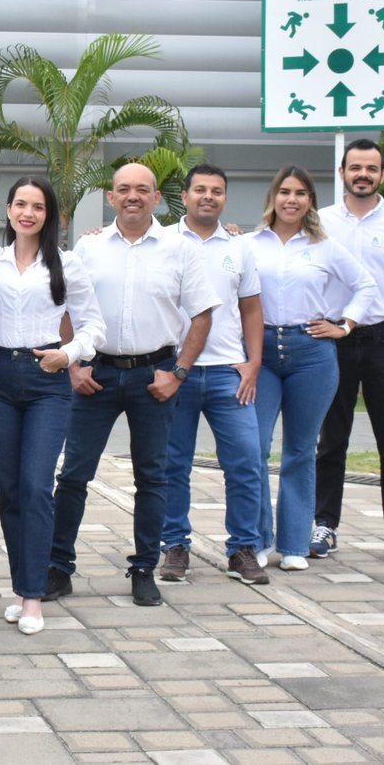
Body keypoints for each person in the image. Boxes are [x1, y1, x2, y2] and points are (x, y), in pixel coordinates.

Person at [48, 163, 220, 607]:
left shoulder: (181, 250)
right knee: (73, 475)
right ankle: (58, 567)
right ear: (110, 198)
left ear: (157, 197)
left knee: (153, 477)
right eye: (123, 189)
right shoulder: (88, 249)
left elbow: (202, 314)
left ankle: (144, 567)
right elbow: (67, 309)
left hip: (154, 375)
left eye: (142, 190)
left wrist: (178, 372)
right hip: (95, 375)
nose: (132, 196)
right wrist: (73, 364)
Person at [0, 177, 102, 634]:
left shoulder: (66, 265)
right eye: (20, 204)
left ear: (50, 215)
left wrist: (68, 355)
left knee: (34, 486)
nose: (27, 213)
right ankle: (21, 586)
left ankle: (33, 598)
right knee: (9, 490)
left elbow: (94, 327)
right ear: (8, 209)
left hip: (47, 378)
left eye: (37, 206)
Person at [246, 165, 375, 571]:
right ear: (273, 197)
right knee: (255, 448)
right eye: (284, 191)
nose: (291, 199)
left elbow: (366, 285)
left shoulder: (325, 246)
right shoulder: (249, 244)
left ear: (310, 201)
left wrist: (345, 325)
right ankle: (259, 540)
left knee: (301, 451)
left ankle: (296, 545)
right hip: (261, 351)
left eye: (300, 193)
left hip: (311, 353)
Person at [313, 139, 384, 565]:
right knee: (330, 441)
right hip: (334, 340)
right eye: (355, 167)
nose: (363, 174)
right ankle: (324, 525)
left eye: (371, 168)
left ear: (383, 175)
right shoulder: (320, 221)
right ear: (343, 171)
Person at [158, 164, 269, 587]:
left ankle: (243, 548)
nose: (209, 196)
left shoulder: (239, 247)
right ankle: (174, 546)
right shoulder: (162, 240)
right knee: (173, 465)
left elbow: (252, 308)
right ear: (184, 196)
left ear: (225, 198)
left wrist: (253, 361)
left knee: (246, 462)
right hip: (175, 373)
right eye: (200, 189)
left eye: (217, 191)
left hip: (228, 374)